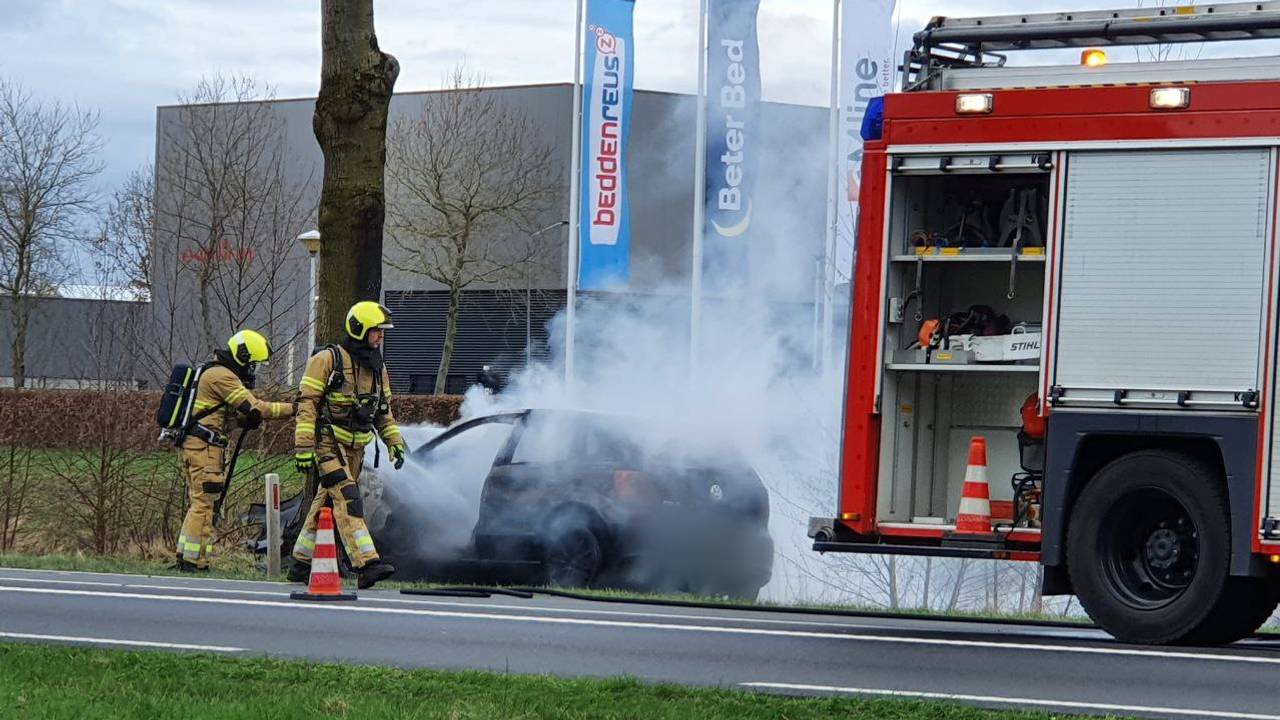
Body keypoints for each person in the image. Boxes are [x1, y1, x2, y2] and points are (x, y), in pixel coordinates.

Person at [288, 301, 405, 589]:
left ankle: (301, 562)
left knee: (327, 500)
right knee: (349, 497)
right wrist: (303, 448)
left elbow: (383, 411)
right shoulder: (327, 360)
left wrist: (394, 442)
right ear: (360, 329)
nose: (381, 337)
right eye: (377, 331)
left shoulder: (378, 368)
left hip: (356, 449)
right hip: (327, 444)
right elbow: (307, 406)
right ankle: (366, 563)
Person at [177, 330, 295, 572]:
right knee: (203, 505)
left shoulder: (213, 372)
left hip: (199, 446)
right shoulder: (221, 376)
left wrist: (241, 422)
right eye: (252, 364)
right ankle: (193, 562)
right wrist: (294, 408)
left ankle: (187, 556)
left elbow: (221, 416)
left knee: (198, 503)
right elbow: (255, 407)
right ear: (242, 356)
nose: (253, 370)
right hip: (204, 449)